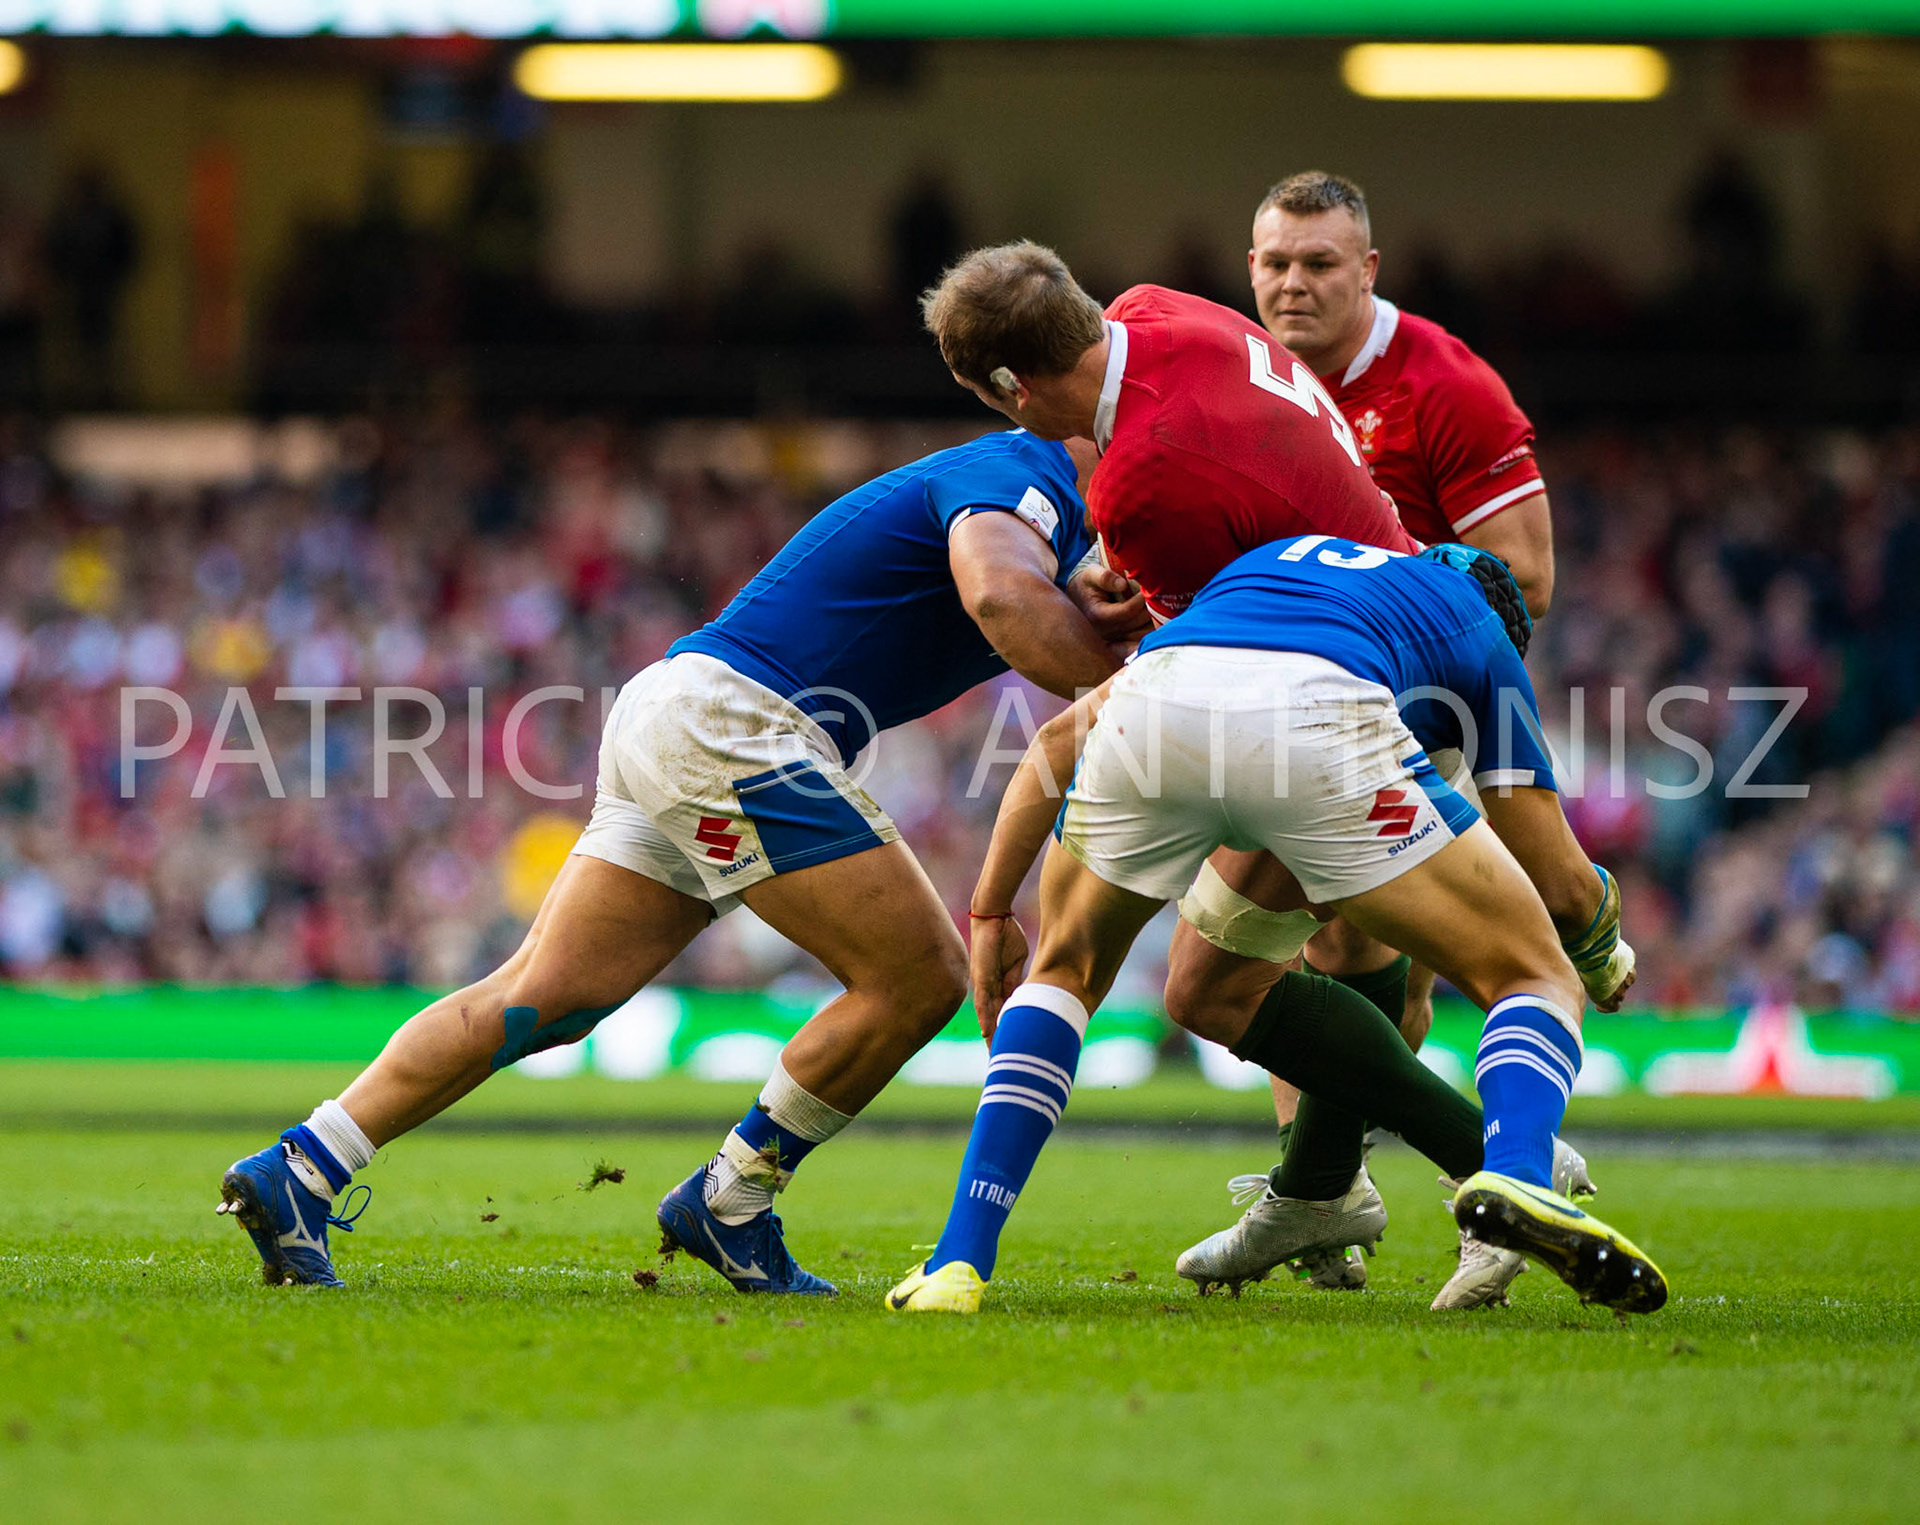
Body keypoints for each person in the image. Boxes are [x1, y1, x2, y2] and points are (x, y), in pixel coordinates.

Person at [215, 429, 1140, 1293]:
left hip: (683, 707)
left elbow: (1030, 599)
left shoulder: (1034, 508)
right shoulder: (1023, 480)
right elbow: (1001, 600)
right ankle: (731, 1199)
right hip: (739, 726)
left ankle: (302, 1165)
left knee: (543, 997)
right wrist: (1143, 672)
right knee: (919, 977)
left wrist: (1096, 612)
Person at [886, 535, 1667, 1318]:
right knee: (1533, 974)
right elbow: (1561, 884)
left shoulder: (1279, 562)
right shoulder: (1478, 628)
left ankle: (959, 1258)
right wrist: (1602, 956)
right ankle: (1522, 1173)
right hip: (1325, 726)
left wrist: (989, 910)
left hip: (1163, 700)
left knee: (1072, 974)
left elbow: (1058, 740)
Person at [1172, 170, 1613, 1301]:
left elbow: (1526, 579)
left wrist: (1374, 597)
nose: (1291, 285)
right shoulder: (1238, 374)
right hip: (1287, 688)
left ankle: (1455, 1175)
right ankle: (1359, 1190)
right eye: (1273, 263)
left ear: (1369, 270)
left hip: (1419, 691)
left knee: (1314, 957)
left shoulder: (1446, 385)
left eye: (1319, 264)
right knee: (1335, 960)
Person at [920, 239, 1420, 631]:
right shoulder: (1150, 304)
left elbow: (1181, 681)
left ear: (1015, 388)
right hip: (1415, 580)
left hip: (1388, 653)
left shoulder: (1141, 480)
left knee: (1061, 747)